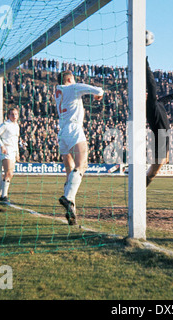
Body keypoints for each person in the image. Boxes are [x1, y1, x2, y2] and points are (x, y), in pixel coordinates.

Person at [55, 70, 104, 225]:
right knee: (82, 165)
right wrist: (98, 95)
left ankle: (72, 213)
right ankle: (68, 198)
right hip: (74, 129)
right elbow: (98, 90)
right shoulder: (72, 87)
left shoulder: (58, 91)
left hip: (62, 131)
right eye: (74, 78)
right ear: (70, 79)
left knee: (70, 172)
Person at [145, 57, 173, 187]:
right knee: (156, 167)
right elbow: (151, 85)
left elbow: (165, 99)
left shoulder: (157, 103)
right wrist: (147, 67)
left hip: (164, 135)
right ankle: (141, 185)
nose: (145, 94)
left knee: (163, 162)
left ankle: (143, 182)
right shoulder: (150, 105)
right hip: (160, 136)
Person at [0, 107, 20, 202]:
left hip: (13, 151)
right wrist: (2, 146)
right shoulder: (5, 125)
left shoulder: (17, 126)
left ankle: (2, 194)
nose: (14, 116)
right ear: (8, 115)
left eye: (16, 114)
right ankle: (4, 196)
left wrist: (17, 153)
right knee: (9, 173)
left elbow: (16, 141)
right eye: (12, 114)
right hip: (6, 150)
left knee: (10, 174)